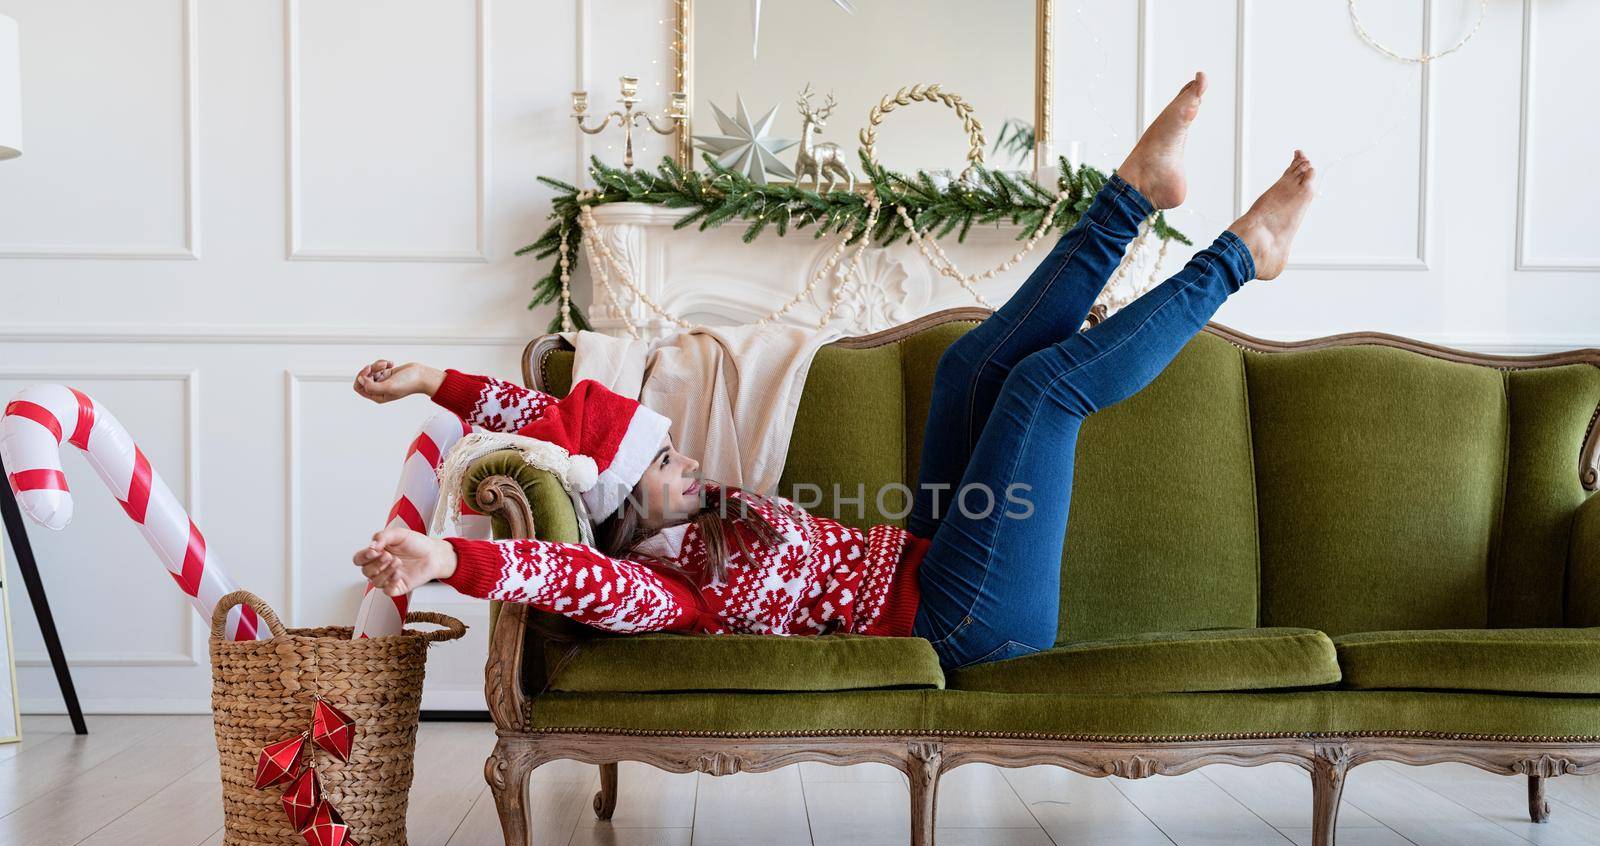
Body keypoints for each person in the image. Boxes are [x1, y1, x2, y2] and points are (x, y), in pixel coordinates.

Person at [350, 72, 1317, 671]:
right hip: (965, 625)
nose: (687, 461)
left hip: (927, 557)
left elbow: (552, 421)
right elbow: (558, 571)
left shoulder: (697, 514)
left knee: (967, 375)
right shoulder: (660, 589)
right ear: (621, 509)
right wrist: (444, 559)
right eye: (663, 465)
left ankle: (1134, 198)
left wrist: (435, 378)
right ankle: (1240, 257)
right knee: (1042, 391)